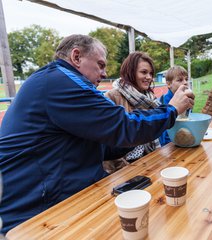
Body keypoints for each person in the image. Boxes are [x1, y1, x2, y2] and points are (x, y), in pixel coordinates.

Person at [0, 34, 194, 234]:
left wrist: (134, 142)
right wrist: (171, 110)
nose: (104, 73)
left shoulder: (53, 80)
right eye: (100, 65)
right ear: (76, 57)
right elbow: (123, 126)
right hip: (33, 214)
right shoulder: (61, 82)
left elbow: (98, 144)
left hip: (54, 200)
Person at [103, 52, 161, 173]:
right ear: (130, 72)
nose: (149, 77)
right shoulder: (112, 97)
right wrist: (127, 170)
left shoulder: (149, 99)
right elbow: (108, 141)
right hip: (121, 170)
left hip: (148, 161)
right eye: (144, 72)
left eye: (151, 73)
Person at [158, 65, 189, 146]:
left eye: (186, 79)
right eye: (180, 80)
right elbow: (165, 134)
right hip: (168, 146)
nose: (185, 82)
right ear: (169, 84)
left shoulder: (186, 99)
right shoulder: (163, 103)